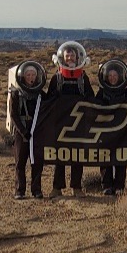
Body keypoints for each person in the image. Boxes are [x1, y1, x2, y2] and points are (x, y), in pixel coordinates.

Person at [47, 41, 94, 196]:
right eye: (67, 55)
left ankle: (77, 187)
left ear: (77, 56)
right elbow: (49, 99)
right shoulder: (57, 78)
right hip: (61, 123)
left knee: (77, 155)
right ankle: (57, 187)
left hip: (79, 123)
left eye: (72, 55)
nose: (70, 58)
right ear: (63, 57)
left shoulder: (83, 78)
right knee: (60, 154)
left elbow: (90, 98)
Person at [6, 59, 46, 198]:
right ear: (23, 76)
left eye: (33, 75)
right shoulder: (16, 94)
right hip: (21, 131)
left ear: (37, 76)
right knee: (20, 162)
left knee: (37, 162)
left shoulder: (41, 94)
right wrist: (23, 132)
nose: (31, 77)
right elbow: (14, 114)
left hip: (37, 131)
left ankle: (36, 190)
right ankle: (20, 190)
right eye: (28, 75)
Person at [95, 57, 127, 196]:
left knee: (121, 156)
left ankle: (119, 185)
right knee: (105, 156)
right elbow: (95, 107)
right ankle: (106, 185)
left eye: (115, 76)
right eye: (110, 76)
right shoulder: (102, 92)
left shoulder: (126, 92)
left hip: (122, 130)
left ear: (120, 76)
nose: (112, 78)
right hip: (106, 130)